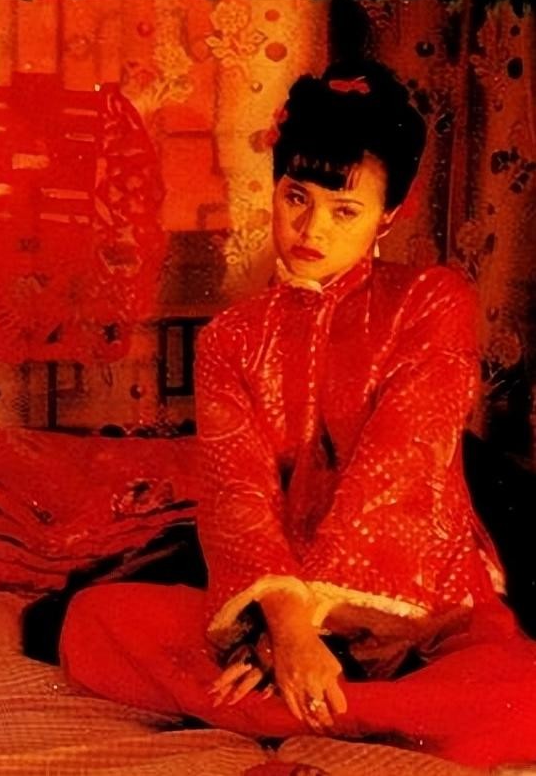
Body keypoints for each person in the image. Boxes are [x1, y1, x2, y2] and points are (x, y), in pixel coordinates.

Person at [58, 60, 536, 769]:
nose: (312, 228)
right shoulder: (231, 338)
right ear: (275, 189)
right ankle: (346, 705)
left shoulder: (432, 301)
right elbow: (237, 491)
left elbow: (399, 467)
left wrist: (306, 624)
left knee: (524, 693)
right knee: (92, 623)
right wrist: (283, 624)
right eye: (297, 198)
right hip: (275, 595)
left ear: (388, 215)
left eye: (345, 210)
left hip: (426, 597)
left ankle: (299, 704)